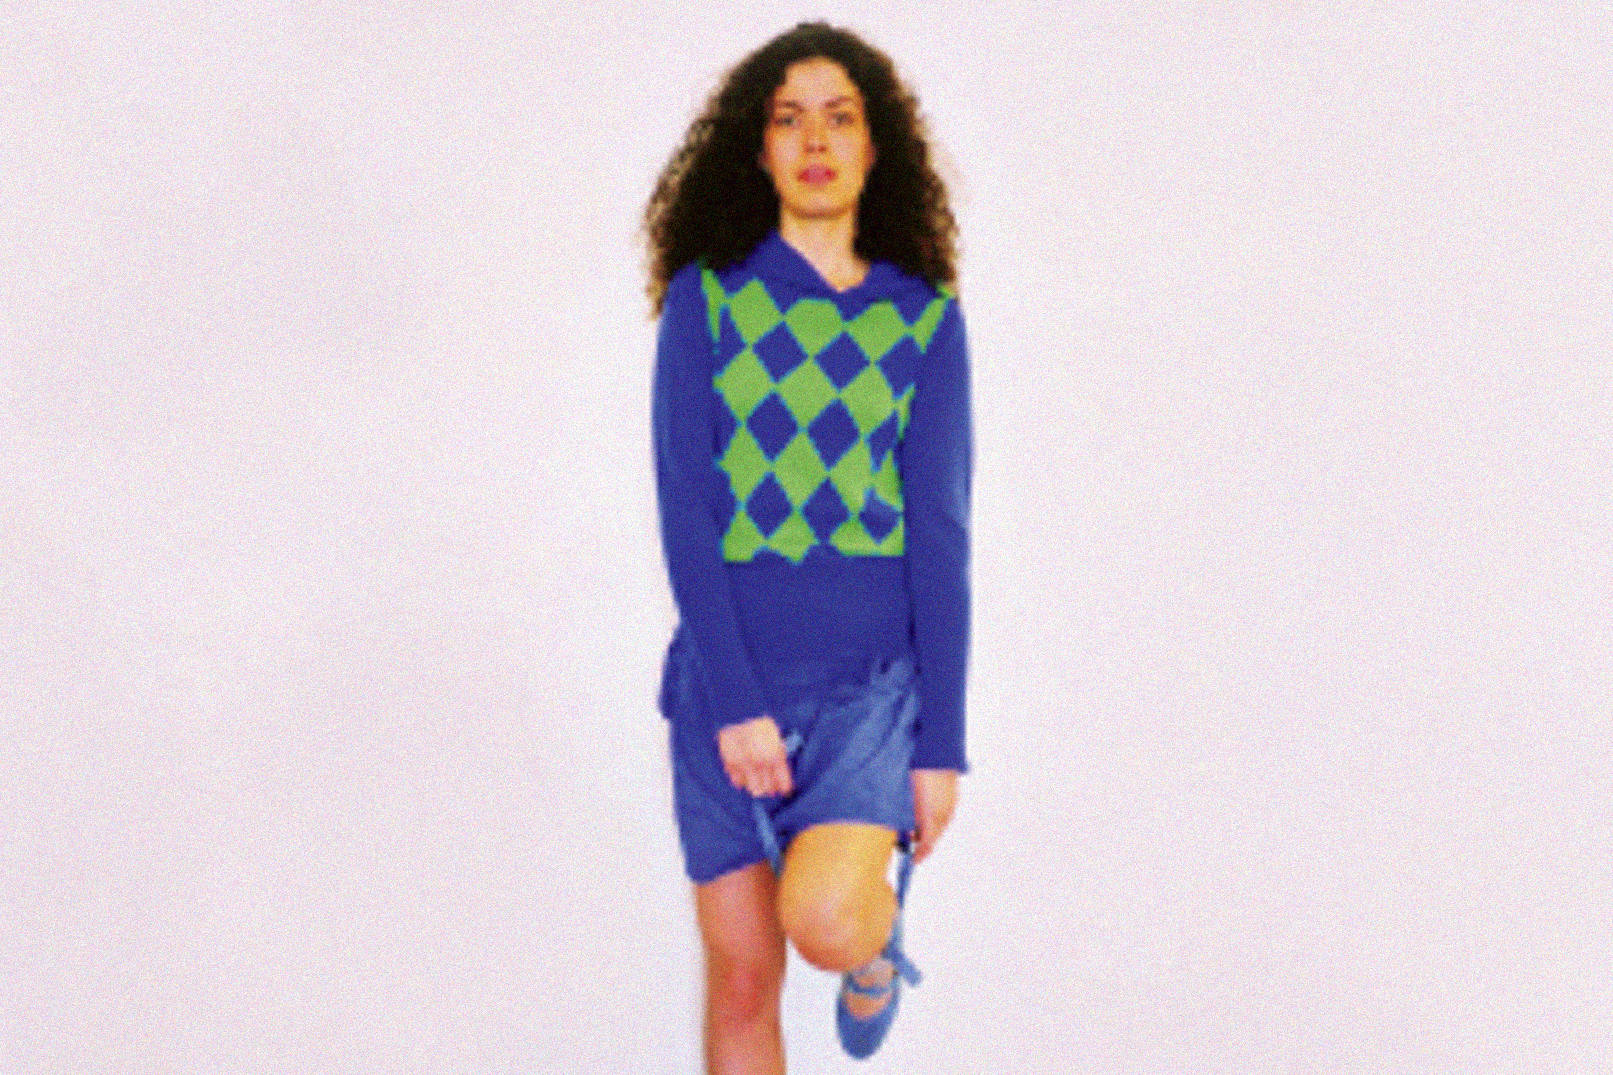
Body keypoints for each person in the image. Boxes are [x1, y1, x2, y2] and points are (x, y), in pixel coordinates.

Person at [645, 21, 971, 1073]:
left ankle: (876, 945)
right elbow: (685, 505)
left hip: (863, 694)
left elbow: (941, 533)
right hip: (724, 684)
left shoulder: (922, 321)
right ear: (758, 147)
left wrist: (940, 743)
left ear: (876, 147)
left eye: (839, 118)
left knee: (826, 917)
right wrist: (734, 701)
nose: (815, 141)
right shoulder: (706, 299)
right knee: (742, 982)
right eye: (789, 120)